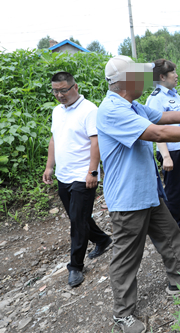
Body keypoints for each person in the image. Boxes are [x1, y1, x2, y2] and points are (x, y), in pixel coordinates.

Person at [96, 55, 180, 333]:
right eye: (140, 75)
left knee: (169, 235)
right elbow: (157, 133)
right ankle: (122, 315)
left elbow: (165, 116)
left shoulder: (132, 106)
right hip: (128, 199)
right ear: (125, 81)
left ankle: (178, 283)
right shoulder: (111, 110)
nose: (146, 80)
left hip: (148, 193)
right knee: (127, 256)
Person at [42, 72, 112, 288]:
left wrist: (92, 172)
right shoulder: (56, 110)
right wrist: (49, 166)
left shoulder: (90, 110)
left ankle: (75, 267)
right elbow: (54, 138)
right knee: (77, 216)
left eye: (64, 90)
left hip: (83, 175)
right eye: (55, 90)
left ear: (76, 87)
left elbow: (96, 142)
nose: (59, 95)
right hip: (64, 174)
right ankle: (102, 239)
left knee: (77, 221)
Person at [146, 59, 180, 242]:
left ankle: (175, 219)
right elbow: (157, 130)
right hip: (172, 151)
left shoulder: (174, 94)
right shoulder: (156, 98)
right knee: (174, 190)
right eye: (173, 72)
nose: (176, 75)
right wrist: (165, 156)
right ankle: (171, 227)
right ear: (161, 76)